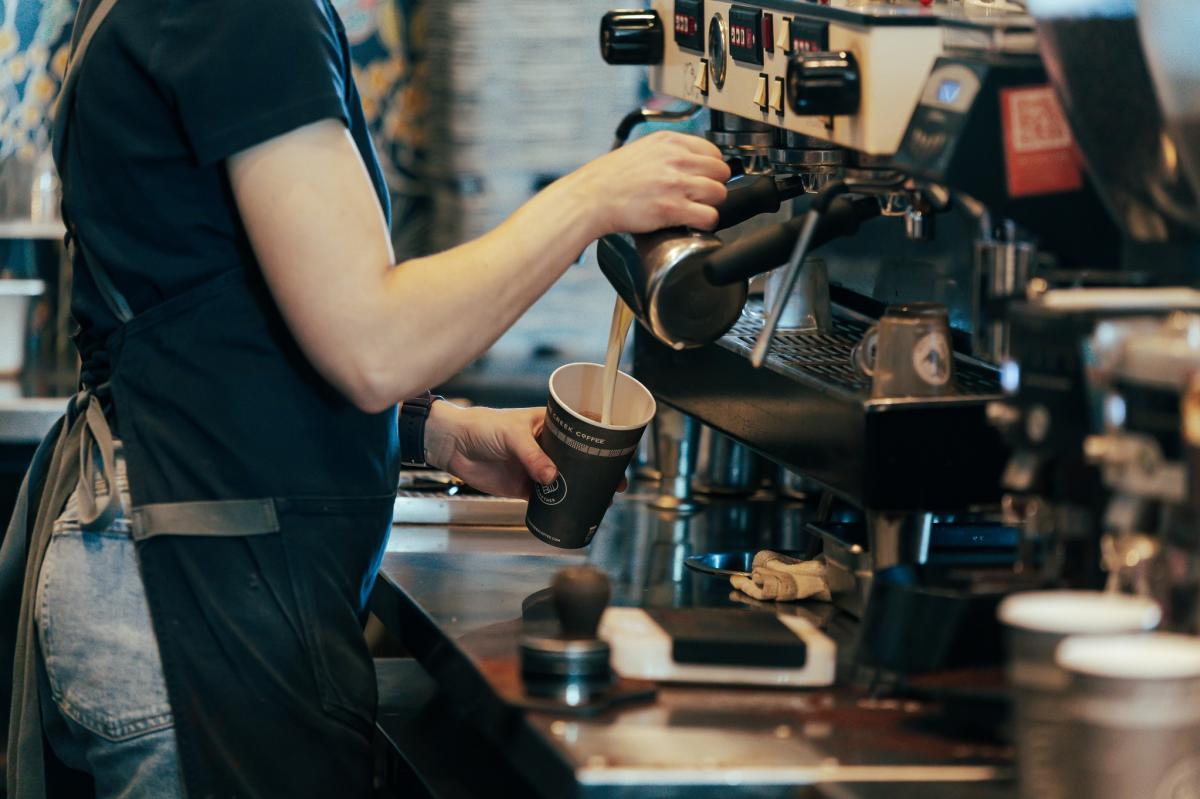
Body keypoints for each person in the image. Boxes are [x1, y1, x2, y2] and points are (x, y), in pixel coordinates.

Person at [0, 0, 730, 797]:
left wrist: (436, 432)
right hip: (190, 588)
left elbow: (219, 315)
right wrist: (592, 198)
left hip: (166, 549)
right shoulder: (242, 13)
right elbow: (372, 344)